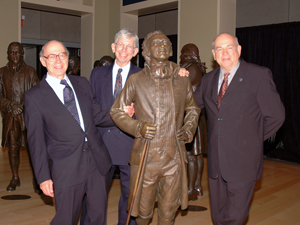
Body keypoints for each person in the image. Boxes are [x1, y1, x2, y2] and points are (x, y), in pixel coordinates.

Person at [110, 30, 200, 225]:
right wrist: (138, 127)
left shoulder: (182, 80)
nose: (163, 46)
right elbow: (116, 111)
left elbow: (193, 109)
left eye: (166, 43)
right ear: (146, 51)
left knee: (168, 213)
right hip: (146, 157)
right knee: (143, 213)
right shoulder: (136, 80)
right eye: (156, 43)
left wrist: (188, 129)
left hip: (173, 158)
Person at [194, 33, 285, 225]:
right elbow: (191, 105)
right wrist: (179, 81)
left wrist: (251, 140)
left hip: (244, 160)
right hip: (216, 161)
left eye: (229, 47)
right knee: (218, 215)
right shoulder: (208, 79)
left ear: (239, 50)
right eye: (219, 48)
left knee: (234, 216)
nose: (225, 52)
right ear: (213, 54)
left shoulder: (258, 75)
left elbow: (276, 116)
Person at [24, 40, 113, 225]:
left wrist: (123, 114)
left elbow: (96, 116)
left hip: (97, 163)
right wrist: (43, 177)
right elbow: (36, 142)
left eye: (62, 55)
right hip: (66, 168)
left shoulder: (82, 83)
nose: (58, 60)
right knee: (66, 219)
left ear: (68, 58)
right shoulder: (34, 97)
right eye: (52, 56)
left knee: (97, 217)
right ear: (43, 61)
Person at [88, 28, 142, 225]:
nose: (124, 50)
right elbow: (91, 110)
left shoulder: (144, 76)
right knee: (95, 197)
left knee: (131, 197)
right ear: (113, 47)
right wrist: (119, 114)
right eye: (120, 45)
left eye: (129, 46)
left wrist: (179, 71)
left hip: (130, 145)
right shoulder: (96, 74)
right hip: (101, 145)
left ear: (136, 51)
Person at [0, 42, 39, 192]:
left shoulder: (30, 71)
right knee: (13, 149)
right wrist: (10, 105)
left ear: (22, 53)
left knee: (33, 149)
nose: (15, 55)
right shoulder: (2, 72)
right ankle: (15, 177)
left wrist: (23, 105)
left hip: (27, 117)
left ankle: (37, 178)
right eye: (12, 52)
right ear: (8, 54)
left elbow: (37, 92)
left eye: (17, 52)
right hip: (10, 117)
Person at [179, 43, 208, 200]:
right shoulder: (197, 67)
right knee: (197, 156)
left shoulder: (191, 69)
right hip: (199, 116)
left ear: (189, 54)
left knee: (191, 154)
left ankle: (191, 188)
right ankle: (197, 186)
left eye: (183, 53)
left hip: (191, 117)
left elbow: (180, 88)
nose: (180, 56)